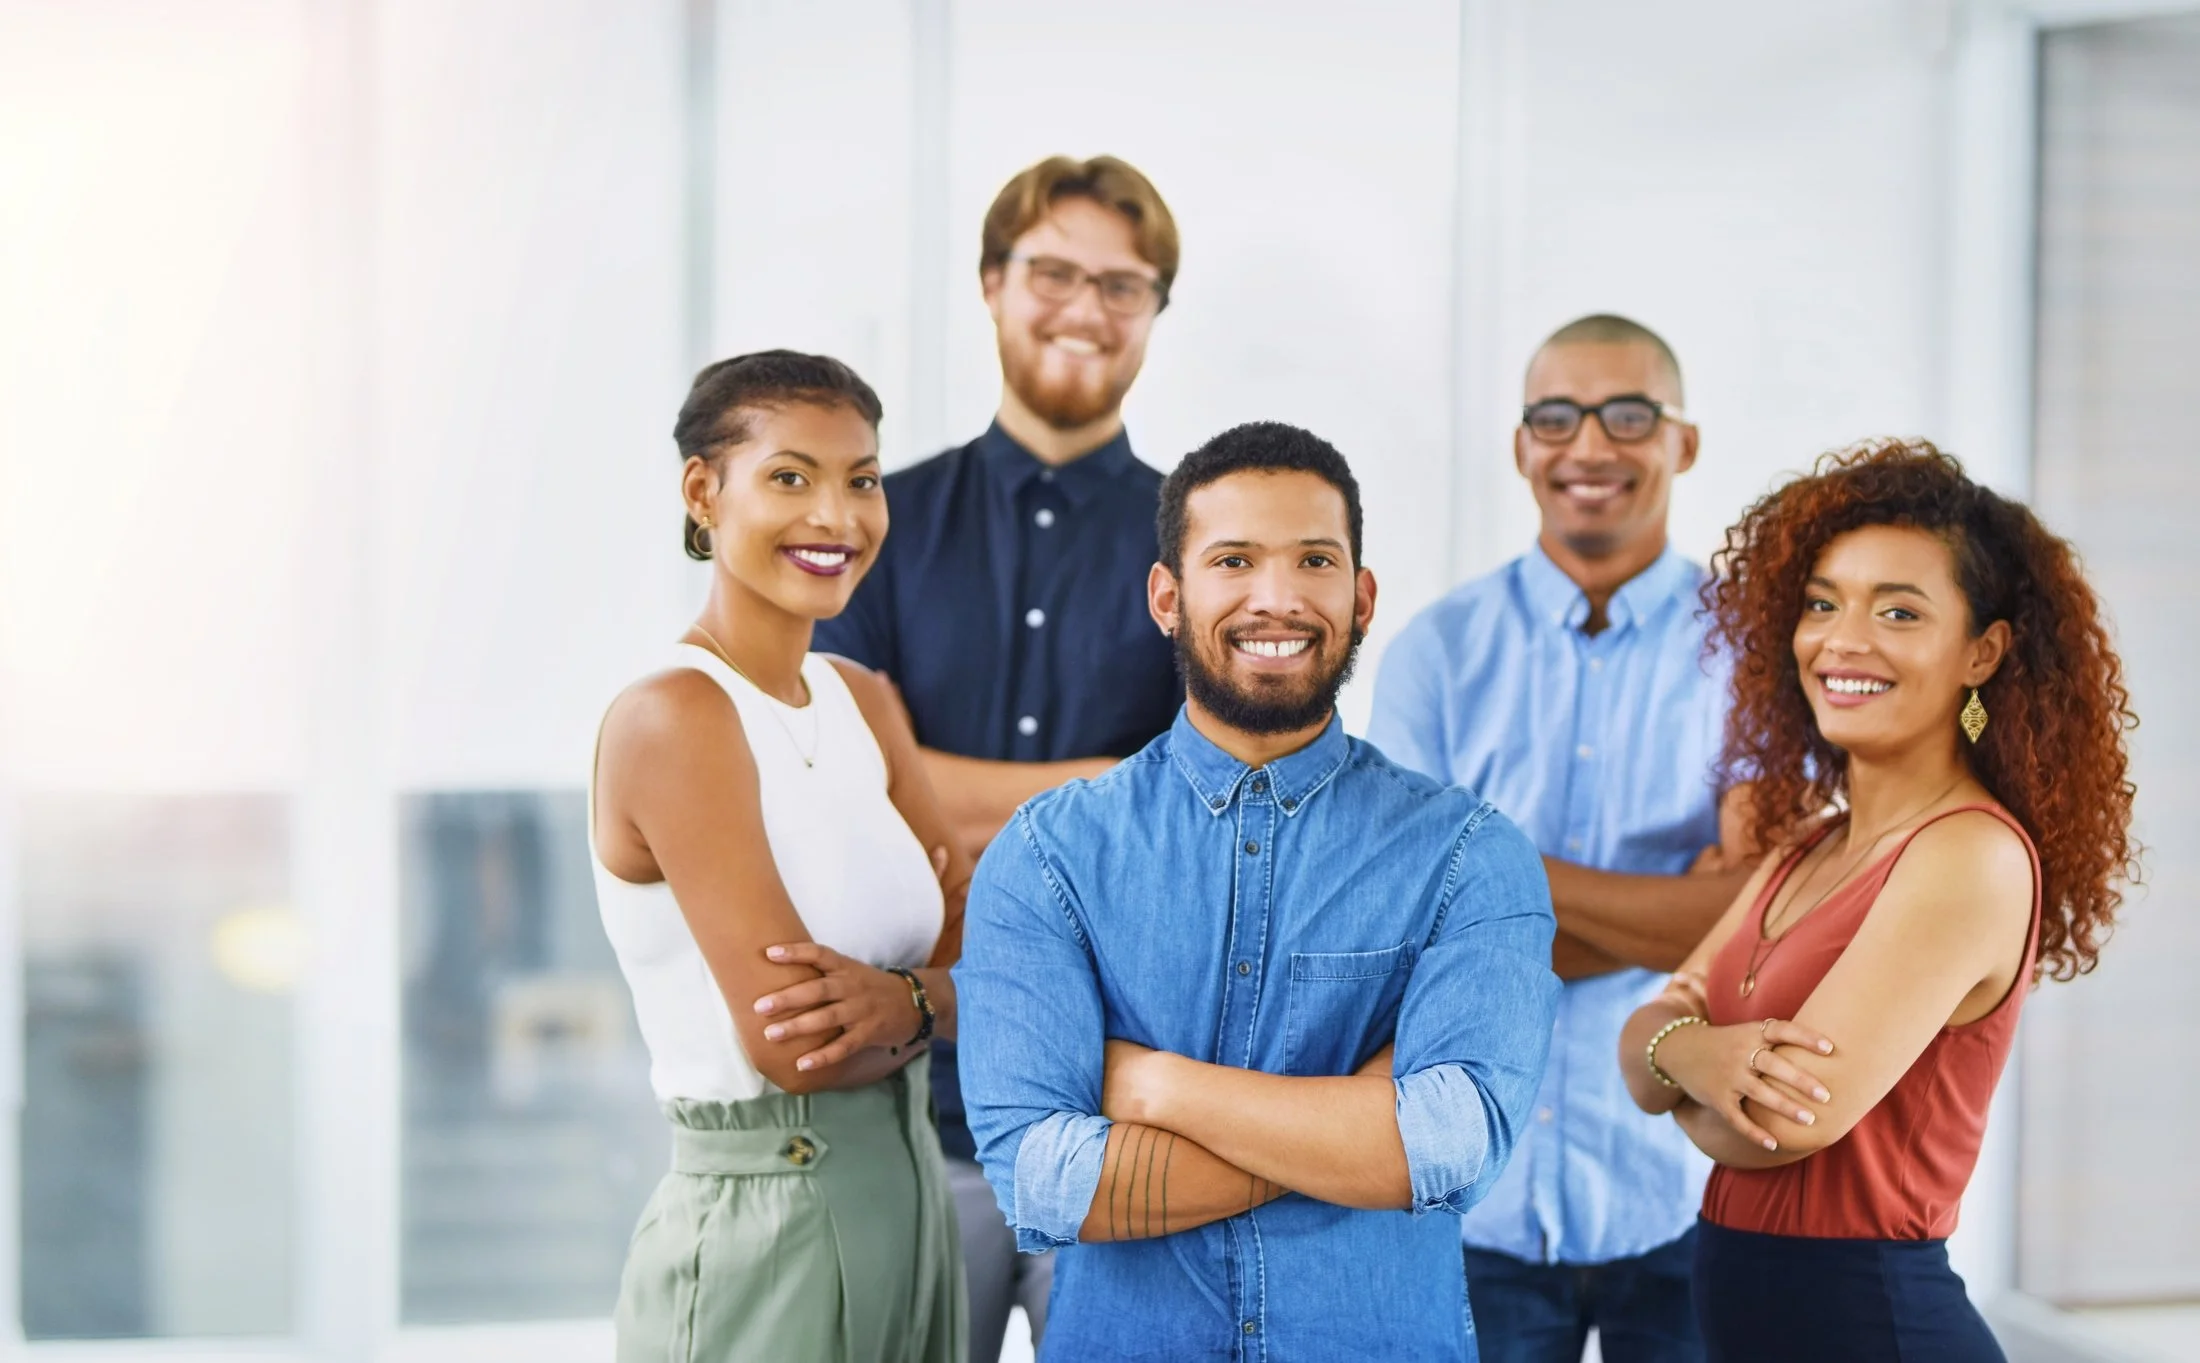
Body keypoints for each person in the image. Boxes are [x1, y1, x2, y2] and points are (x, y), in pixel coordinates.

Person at [954, 422, 1562, 1361]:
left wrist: (1154, 1083)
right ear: (1168, 595)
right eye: (1233, 560)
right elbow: (1046, 1183)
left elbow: (1448, 1147)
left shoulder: (1470, 855)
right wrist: (1355, 1131)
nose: (1276, 599)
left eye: (1314, 560)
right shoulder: (1048, 854)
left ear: (1361, 597)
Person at [1620, 439, 2138, 1362]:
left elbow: (1781, 1122)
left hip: (1880, 1329)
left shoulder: (1969, 855)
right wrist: (1695, 1055)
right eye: (1823, 603)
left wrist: (1680, 1062)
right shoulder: (1808, 841)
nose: (1842, 640)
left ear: (1981, 652)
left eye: (1899, 611)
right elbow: (1636, 1053)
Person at [813, 153, 1183, 1362]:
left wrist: (936, 788)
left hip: (1127, 1113)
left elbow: (1211, 810)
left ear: (1155, 311)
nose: (1085, 307)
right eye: (1054, 272)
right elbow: (848, 784)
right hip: (908, 1117)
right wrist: (1120, 788)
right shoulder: (872, 525)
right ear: (990, 282)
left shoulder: (1206, 544)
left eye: (1121, 285)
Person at [1369, 315, 1746, 1362]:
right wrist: (1672, 909)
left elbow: (1755, 915)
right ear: (1521, 445)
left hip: (1681, 1187)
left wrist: (1491, 873)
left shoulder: (1753, 652)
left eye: (1629, 415)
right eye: (1555, 415)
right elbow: (1410, 938)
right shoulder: (1433, 655)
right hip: (1472, 1199)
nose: (1588, 446)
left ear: (1684, 442)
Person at [591, 351, 970, 1362]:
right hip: (772, 1218)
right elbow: (795, 1045)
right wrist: (942, 998)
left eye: (863, 480)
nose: (838, 517)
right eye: (790, 477)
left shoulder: (864, 701)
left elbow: (982, 940)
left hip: (914, 1197)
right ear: (703, 491)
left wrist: (908, 1001)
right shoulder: (674, 717)